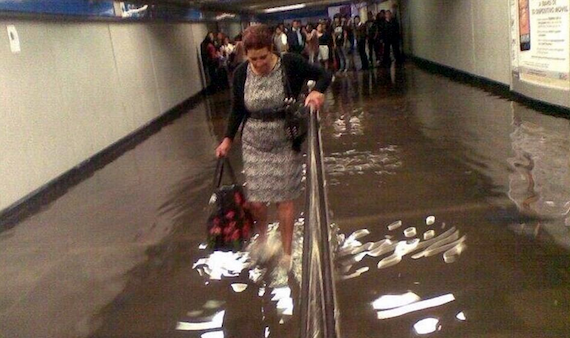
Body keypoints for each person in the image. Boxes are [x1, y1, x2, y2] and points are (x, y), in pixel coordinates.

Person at [215, 24, 332, 270]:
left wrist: (317, 93)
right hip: (254, 142)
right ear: (245, 54)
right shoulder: (240, 74)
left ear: (272, 49)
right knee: (256, 200)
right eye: (253, 58)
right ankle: (263, 240)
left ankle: (287, 252)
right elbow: (237, 109)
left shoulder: (290, 64)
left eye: (263, 57)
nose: (258, 63)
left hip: (285, 139)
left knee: (284, 199)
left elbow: (324, 75)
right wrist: (227, 139)